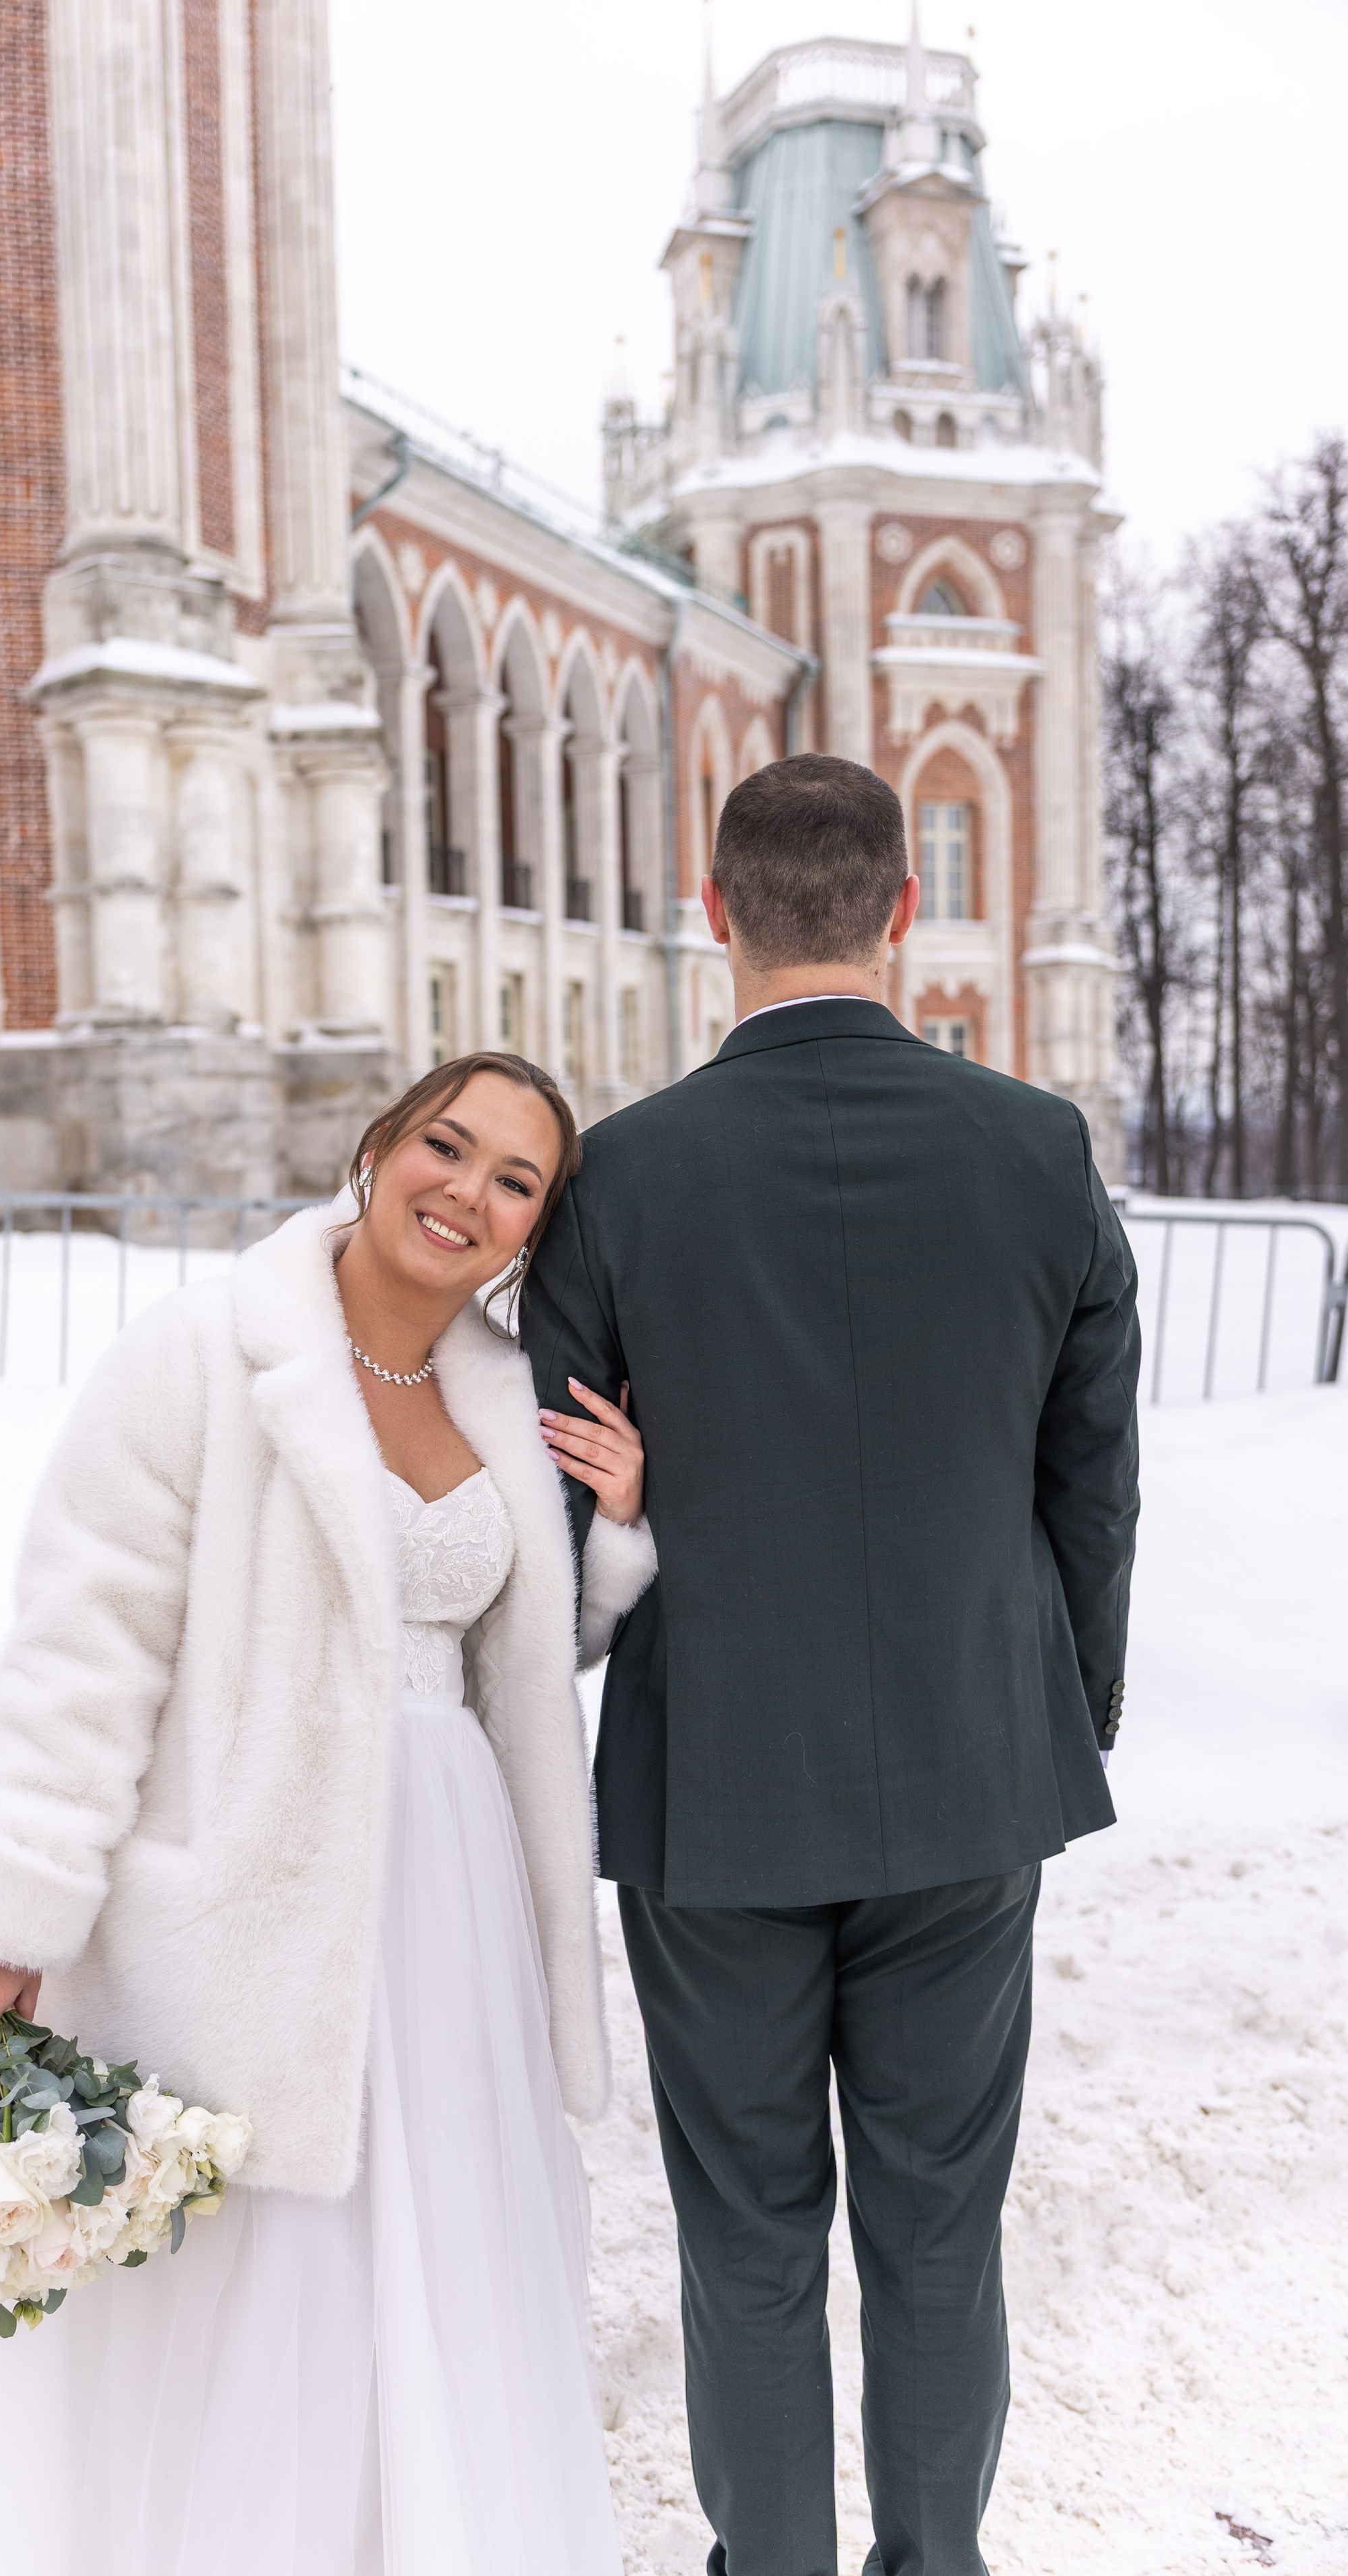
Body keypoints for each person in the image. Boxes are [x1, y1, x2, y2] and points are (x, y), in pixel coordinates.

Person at [0, 1055, 656, 2576]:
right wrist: (6, 1912)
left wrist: (622, 1528)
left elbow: (518, 1656)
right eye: (446, 1147)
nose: (466, 1192)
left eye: (514, 1180)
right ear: (379, 1147)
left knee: (438, 2254)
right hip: (252, 1890)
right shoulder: (202, 1352)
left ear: (535, 1225)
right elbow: (87, 1645)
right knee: (262, 2273)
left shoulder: (502, 1391)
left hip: (450, 1902)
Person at [525, 754, 1141, 2576]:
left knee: (747, 2231)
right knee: (940, 2226)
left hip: (713, 1785)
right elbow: (1091, 1481)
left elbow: (551, 1509)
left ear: (714, 912)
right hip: (967, 1766)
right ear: (901, 912)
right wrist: (1062, 1706)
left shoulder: (623, 1177)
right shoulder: (1037, 1151)